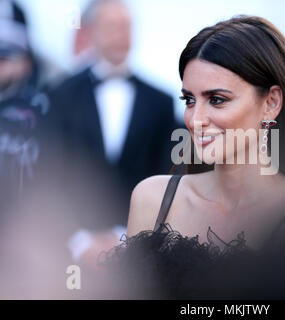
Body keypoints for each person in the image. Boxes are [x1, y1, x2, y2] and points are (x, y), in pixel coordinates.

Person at [126, 15, 285, 254]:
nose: (195, 120)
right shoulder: (152, 199)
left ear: (271, 103)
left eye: (217, 100)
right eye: (189, 100)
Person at [47, 0, 177, 271]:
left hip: (139, 255)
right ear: (92, 32)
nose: (122, 35)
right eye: (112, 26)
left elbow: (166, 175)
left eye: (127, 27)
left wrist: (128, 237)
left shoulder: (161, 101)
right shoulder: (59, 94)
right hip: (66, 252)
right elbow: (49, 168)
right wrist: (79, 240)